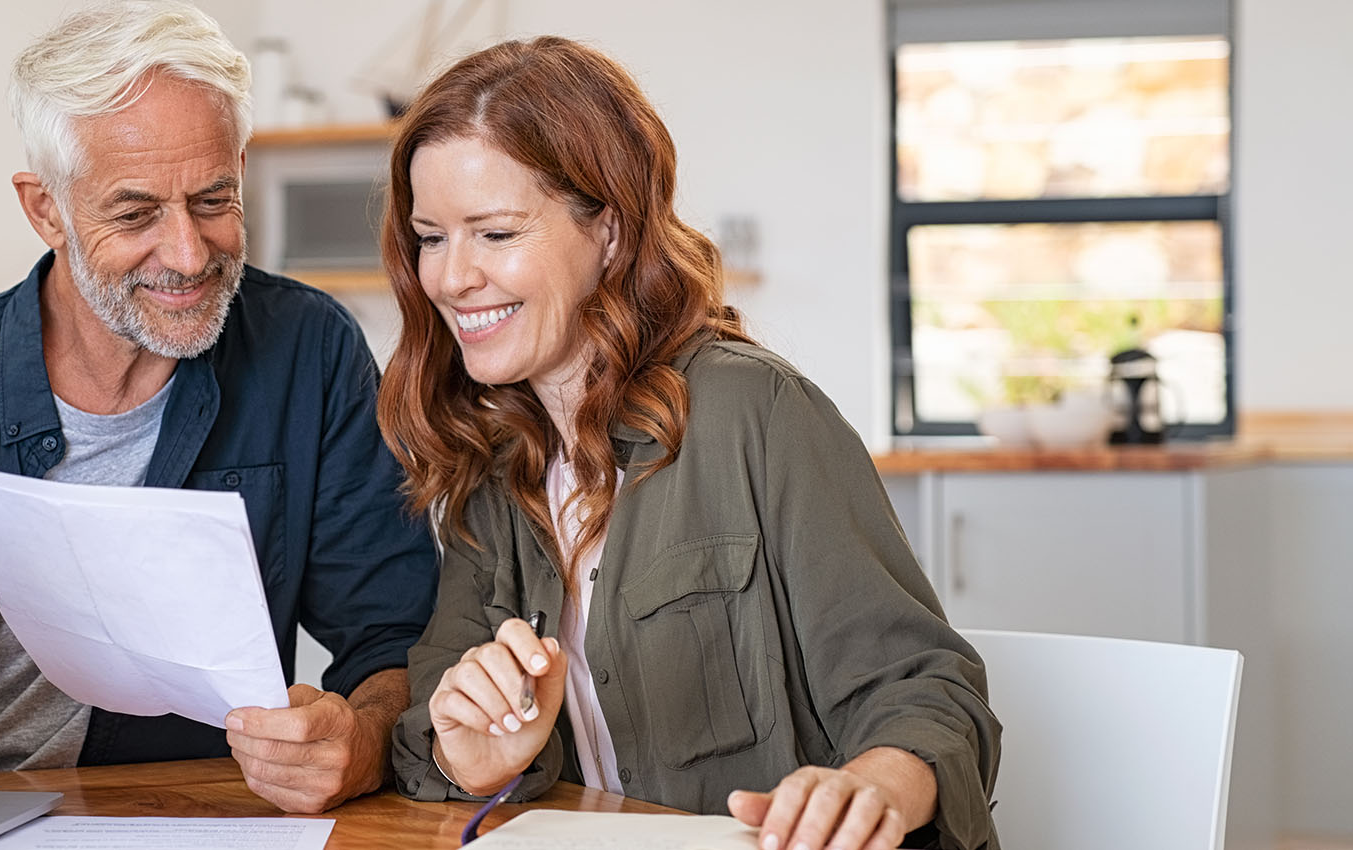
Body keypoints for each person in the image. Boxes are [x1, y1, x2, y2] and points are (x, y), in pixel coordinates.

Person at [0, 1, 436, 814]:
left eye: (213, 199)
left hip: (184, 816)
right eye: (134, 213)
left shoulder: (307, 352)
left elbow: (394, 639)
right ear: (45, 210)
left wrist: (361, 740)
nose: (187, 254)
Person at [380, 37, 1001, 850]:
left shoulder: (757, 412)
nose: (451, 278)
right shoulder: (492, 457)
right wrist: (473, 757)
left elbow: (930, 695)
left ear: (607, 229)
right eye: (431, 237)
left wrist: (870, 786)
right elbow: (429, 712)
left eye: (494, 235)